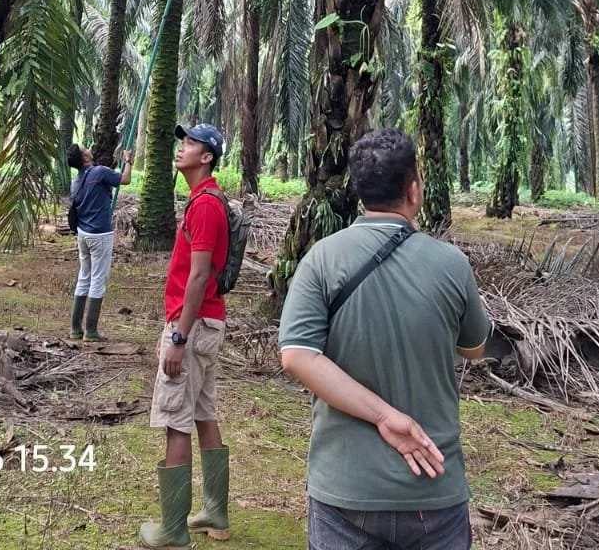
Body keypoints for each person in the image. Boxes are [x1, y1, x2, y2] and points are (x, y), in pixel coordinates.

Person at [278, 128, 491, 550]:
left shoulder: (321, 258)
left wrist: (380, 416)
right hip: (433, 489)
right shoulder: (451, 265)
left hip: (344, 489)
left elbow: (297, 356)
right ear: (413, 189)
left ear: (361, 193)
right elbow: (475, 348)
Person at [140, 122, 231, 548]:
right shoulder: (203, 201)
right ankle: (215, 510)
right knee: (202, 413)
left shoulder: (206, 205)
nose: (183, 148)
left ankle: (173, 531)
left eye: (192, 143)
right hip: (205, 324)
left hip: (191, 326)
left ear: (207, 157)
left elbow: (198, 278)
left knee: (176, 421)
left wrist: (178, 337)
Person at [67, 141, 134, 340]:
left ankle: (75, 329)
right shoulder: (99, 172)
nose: (88, 148)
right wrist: (128, 160)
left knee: (84, 277)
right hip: (100, 235)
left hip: (83, 235)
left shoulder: (75, 182)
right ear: (85, 158)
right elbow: (126, 179)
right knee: (98, 279)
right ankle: (91, 331)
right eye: (84, 149)